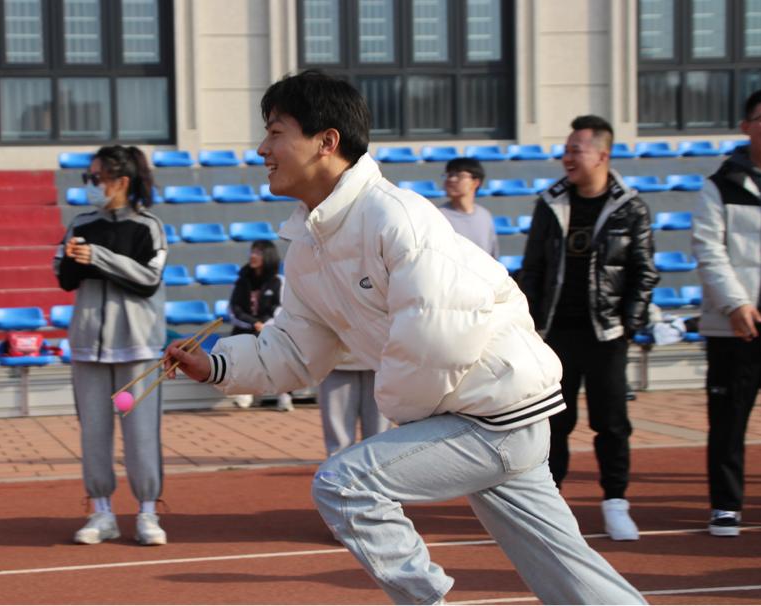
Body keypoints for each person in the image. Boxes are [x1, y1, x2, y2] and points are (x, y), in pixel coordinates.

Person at [164, 70, 645, 604]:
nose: (262, 149)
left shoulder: (397, 217)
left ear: (327, 142)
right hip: (485, 413)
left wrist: (402, 414)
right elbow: (298, 349)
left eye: (276, 133)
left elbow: (437, 337)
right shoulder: (308, 246)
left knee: (345, 483)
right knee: (569, 572)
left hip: (492, 415)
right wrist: (218, 365)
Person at [519, 115, 659, 542]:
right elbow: (532, 269)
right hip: (555, 334)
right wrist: (530, 324)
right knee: (554, 423)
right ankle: (550, 506)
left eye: (575, 150)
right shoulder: (550, 203)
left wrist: (629, 324)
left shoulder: (630, 207)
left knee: (611, 423)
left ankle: (615, 502)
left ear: (602, 155)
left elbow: (644, 272)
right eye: (565, 150)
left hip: (606, 335)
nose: (567, 157)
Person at [54, 145, 169, 546]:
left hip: (136, 351)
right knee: (94, 434)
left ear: (121, 181)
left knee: (141, 434)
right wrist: (74, 258)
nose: (90, 185)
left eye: (96, 178)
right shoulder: (81, 223)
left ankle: (148, 512)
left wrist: (98, 257)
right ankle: (101, 512)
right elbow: (64, 276)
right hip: (89, 350)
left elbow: (148, 280)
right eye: (88, 178)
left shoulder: (148, 227)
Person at [692, 88, 761, 538]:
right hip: (735, 326)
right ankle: (725, 504)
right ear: (746, 126)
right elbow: (708, 248)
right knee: (728, 419)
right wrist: (736, 303)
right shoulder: (720, 185)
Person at [228, 239, 293, 411]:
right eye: (252, 251)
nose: (252, 255)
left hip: (271, 328)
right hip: (245, 328)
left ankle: (284, 395)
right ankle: (246, 393)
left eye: (258, 252)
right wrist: (253, 323)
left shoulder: (278, 281)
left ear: (268, 256)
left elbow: (281, 308)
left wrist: (265, 324)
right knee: (243, 345)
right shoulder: (242, 280)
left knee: (278, 347)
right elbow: (234, 309)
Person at [317, 353, 391, 457]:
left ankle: (378, 463)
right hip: (337, 357)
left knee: (378, 440)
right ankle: (340, 465)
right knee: (340, 446)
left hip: (380, 356)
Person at [438, 157, 499, 257]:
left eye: (459, 175)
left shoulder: (484, 215)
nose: (451, 179)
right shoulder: (439, 216)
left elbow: (492, 256)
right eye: (449, 175)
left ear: (475, 182)